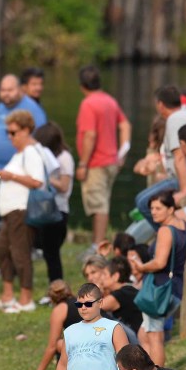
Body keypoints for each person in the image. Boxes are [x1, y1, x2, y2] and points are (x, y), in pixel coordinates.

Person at [0, 75, 47, 275]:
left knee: (16, 226)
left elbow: (41, 138)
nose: (6, 94)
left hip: (18, 180)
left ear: (20, 89)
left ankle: (18, 263)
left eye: (10, 90)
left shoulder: (32, 109)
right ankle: (4, 264)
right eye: (2, 90)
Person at [127, 85, 186, 241]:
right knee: (142, 199)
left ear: (160, 104)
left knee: (143, 202)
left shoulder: (174, 119)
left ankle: (169, 239)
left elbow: (179, 157)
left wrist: (183, 190)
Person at [0, 109, 46, 313]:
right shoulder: (19, 154)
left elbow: (37, 181)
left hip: (21, 210)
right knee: (2, 249)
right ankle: (8, 294)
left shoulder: (31, 152)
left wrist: (10, 176)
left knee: (20, 253)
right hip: (10, 212)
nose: (10, 137)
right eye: (8, 132)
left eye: (13, 132)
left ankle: (26, 298)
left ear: (25, 131)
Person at [129, 191, 186, 365]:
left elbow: (159, 262)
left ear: (170, 209)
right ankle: (146, 368)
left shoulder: (165, 230)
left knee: (155, 336)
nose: (153, 212)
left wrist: (141, 266)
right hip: (176, 287)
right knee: (144, 334)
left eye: (158, 208)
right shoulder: (184, 226)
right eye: (151, 208)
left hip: (160, 289)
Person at [76, 65, 131, 251]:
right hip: (111, 162)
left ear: (82, 85)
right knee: (103, 203)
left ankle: (97, 247)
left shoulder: (88, 104)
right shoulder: (110, 100)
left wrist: (83, 164)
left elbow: (90, 135)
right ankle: (98, 243)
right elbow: (125, 125)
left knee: (98, 206)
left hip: (96, 163)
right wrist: (122, 153)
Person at [33, 123, 74, 284]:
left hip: (58, 209)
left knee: (51, 251)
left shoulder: (64, 158)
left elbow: (64, 186)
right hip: (41, 208)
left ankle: (56, 283)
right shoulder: (42, 156)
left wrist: (45, 178)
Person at [34, 280, 80, 370]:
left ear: (51, 298)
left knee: (59, 343)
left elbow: (52, 346)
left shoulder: (60, 310)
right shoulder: (81, 301)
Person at [100, 257, 143, 336]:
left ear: (115, 276)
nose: (101, 278)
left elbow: (93, 307)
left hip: (136, 338)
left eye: (104, 274)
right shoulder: (129, 289)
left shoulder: (121, 294)